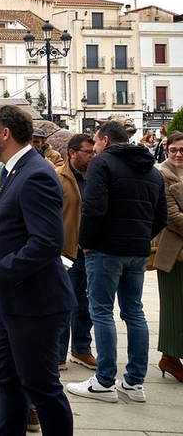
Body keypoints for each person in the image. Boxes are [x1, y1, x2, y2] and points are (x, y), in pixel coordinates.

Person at [0, 105, 75, 436]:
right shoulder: (13, 169)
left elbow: (47, 242)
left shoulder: (36, 173)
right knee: (8, 378)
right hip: (12, 300)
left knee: (42, 388)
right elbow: (7, 229)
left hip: (35, 304)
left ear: (5, 133)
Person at [68, 120, 167, 403]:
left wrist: (85, 243)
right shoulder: (152, 169)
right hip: (137, 250)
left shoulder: (103, 163)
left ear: (107, 141)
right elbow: (161, 216)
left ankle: (104, 381)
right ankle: (134, 382)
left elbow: (94, 206)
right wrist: (141, 238)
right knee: (134, 311)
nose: (95, 147)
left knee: (100, 311)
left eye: (96, 142)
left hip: (105, 249)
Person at [55, 133, 97, 371]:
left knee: (86, 303)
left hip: (91, 251)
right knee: (64, 303)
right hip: (66, 250)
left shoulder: (97, 176)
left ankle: (81, 349)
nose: (92, 155)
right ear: (72, 153)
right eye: (87, 152)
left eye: (93, 152)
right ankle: (58, 352)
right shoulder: (58, 177)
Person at [155, 131, 183, 382]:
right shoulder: (161, 175)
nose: (178, 154)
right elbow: (172, 217)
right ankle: (170, 357)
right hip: (174, 253)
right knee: (174, 308)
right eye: (173, 149)